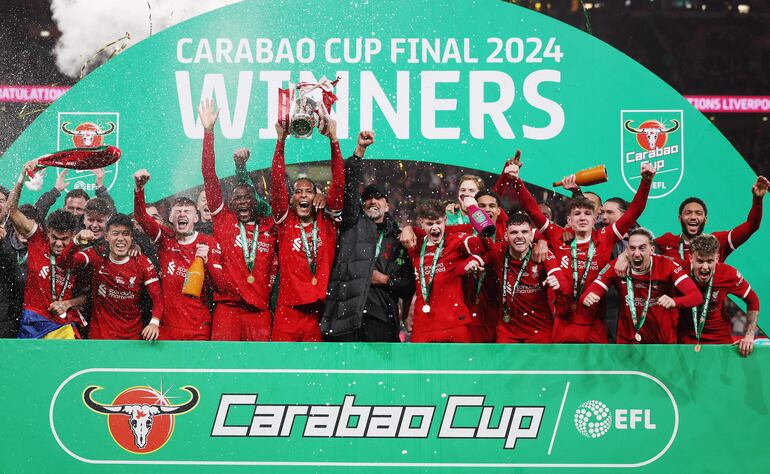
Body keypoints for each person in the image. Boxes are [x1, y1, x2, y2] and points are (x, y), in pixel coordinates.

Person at [504, 154, 656, 343]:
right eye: (577, 214)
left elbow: (634, 211)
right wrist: (517, 181)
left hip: (595, 325)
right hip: (563, 325)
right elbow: (533, 210)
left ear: (595, 219)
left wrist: (646, 182)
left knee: (594, 373)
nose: (582, 217)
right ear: (569, 220)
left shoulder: (605, 236)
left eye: (587, 214)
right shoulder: (557, 236)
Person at [322, 131, 415, 342]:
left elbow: (409, 285)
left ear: (387, 205)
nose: (373, 201)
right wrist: (360, 151)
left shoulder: (398, 239)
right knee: (343, 374)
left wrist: (384, 280)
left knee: (379, 375)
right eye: (368, 198)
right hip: (345, 315)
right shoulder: (352, 223)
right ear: (362, 205)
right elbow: (349, 185)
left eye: (378, 198)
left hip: (382, 318)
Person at [199, 97, 277, 341]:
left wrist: (242, 168)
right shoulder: (224, 219)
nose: (242, 201)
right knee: (222, 372)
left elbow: (277, 198)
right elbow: (209, 175)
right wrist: (209, 132)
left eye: (247, 197)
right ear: (230, 203)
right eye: (237, 198)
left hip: (260, 312)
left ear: (256, 202)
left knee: (260, 375)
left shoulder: (269, 226)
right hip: (228, 310)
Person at [271, 110, 344, 342]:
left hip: (318, 311)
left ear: (316, 196)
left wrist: (334, 140)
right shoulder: (285, 222)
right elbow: (276, 181)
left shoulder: (327, 221)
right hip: (287, 311)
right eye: (298, 191)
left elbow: (339, 182)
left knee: (317, 373)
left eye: (309, 191)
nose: (303, 195)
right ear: (292, 199)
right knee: (283, 372)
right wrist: (280, 141)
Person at [134, 169, 225, 340]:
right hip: (167, 327)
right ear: (170, 217)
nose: (182, 214)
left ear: (196, 218)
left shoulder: (209, 242)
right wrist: (139, 190)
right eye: (178, 211)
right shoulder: (164, 239)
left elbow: (220, 287)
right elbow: (141, 218)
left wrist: (208, 263)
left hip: (198, 326)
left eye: (187, 211)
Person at [6, 160, 86, 339]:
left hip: (63, 326)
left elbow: (89, 296)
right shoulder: (37, 239)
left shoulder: (80, 252)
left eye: (64, 239)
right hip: (33, 324)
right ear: (47, 232)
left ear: (72, 235)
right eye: (54, 238)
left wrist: (67, 303)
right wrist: (21, 177)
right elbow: (11, 210)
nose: (58, 244)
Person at [581, 228, 702, 344]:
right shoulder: (617, 267)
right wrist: (588, 297)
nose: (637, 254)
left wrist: (674, 301)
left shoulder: (667, 266)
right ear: (627, 250)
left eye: (642, 248)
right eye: (632, 248)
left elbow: (696, 297)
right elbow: (588, 294)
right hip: (628, 342)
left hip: (661, 341)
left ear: (652, 249)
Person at [466, 208, 569, 343]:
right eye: (514, 232)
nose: (519, 236)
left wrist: (556, 281)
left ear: (531, 235)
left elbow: (564, 285)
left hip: (540, 330)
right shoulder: (499, 252)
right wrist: (470, 264)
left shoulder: (542, 254)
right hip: (507, 331)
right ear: (506, 236)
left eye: (524, 232)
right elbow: (477, 261)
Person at [400, 200, 486, 343]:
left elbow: (482, 247)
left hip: (454, 324)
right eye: (429, 224)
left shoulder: (457, 240)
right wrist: (407, 228)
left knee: (462, 365)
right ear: (421, 222)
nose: (435, 228)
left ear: (445, 220)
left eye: (439, 222)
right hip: (423, 325)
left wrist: (474, 209)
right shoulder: (414, 245)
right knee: (421, 365)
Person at [69, 214, 161, 340]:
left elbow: (157, 297)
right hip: (100, 338)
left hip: (132, 338)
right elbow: (65, 263)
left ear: (131, 237)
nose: (120, 238)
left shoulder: (141, 261)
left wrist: (154, 323)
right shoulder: (97, 255)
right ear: (106, 236)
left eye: (125, 233)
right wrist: (75, 242)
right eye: (115, 233)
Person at [654, 176, 769, 265]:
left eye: (698, 213)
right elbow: (640, 246)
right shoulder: (666, 241)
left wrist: (758, 199)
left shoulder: (718, 241)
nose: (693, 217)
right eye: (688, 213)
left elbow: (751, 226)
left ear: (705, 219)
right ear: (680, 218)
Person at [679, 234, 759, 356]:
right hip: (685, 340)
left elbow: (753, 300)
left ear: (717, 258)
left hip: (719, 340)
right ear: (690, 258)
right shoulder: (678, 271)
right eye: (700, 261)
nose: (705, 267)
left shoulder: (728, 274)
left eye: (710, 261)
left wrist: (749, 336)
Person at [34, 167, 115, 222]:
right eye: (71, 208)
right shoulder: (55, 225)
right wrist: (55, 191)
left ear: (87, 210)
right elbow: (34, 218)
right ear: (64, 207)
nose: (74, 213)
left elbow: (113, 219)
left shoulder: (92, 227)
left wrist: (100, 186)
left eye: (79, 209)